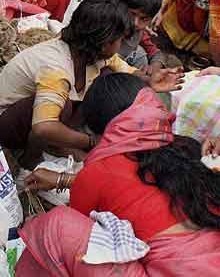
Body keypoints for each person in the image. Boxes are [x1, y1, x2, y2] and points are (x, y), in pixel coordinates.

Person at [17, 72, 220, 275]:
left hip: (173, 270)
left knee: (56, 226)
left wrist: (72, 182)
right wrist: (64, 180)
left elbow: (92, 231)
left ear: (97, 129)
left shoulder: (96, 171)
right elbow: (131, 187)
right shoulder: (183, 149)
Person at [0, 0, 182, 168]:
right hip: (5, 126)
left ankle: (60, 143)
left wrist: (149, 81)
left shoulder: (93, 53)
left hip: (39, 120)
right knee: (63, 109)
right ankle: (29, 161)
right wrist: (92, 141)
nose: (121, 45)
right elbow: (42, 127)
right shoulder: (56, 68)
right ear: (105, 43)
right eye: (120, 40)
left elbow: (125, 71)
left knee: (106, 79)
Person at [117, 0, 164, 72]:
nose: (135, 23)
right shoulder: (107, 28)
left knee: (140, 55)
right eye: (131, 14)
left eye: (144, 19)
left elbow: (155, 53)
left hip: (125, 66)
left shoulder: (140, 32)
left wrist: (153, 69)